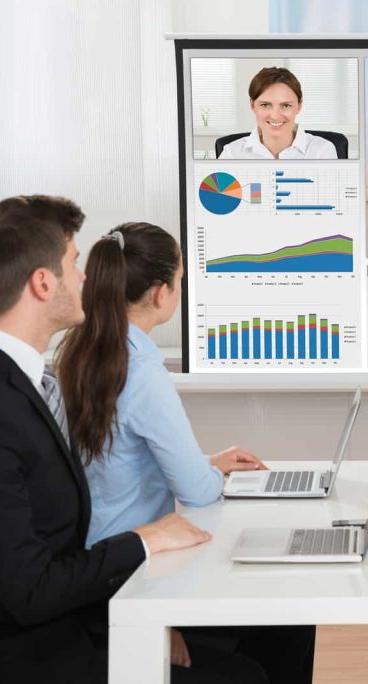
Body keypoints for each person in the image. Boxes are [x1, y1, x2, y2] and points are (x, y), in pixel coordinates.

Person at [0, 196, 217, 684]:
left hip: (59, 626)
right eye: (74, 264)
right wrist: (143, 540)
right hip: (8, 657)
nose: (85, 279)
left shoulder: (26, 383)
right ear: (42, 282)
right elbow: (32, 589)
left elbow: (57, 549)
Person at [55, 222, 314, 684]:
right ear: (160, 293)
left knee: (280, 627)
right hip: (128, 572)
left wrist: (208, 462)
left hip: (98, 561)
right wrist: (206, 474)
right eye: (180, 279)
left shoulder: (79, 352)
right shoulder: (142, 373)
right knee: (288, 626)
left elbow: (122, 462)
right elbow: (196, 494)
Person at [218, 66, 337, 160]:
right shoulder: (232, 153)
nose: (275, 115)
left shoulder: (322, 151)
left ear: (299, 105)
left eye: (286, 105)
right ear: (252, 105)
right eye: (265, 105)